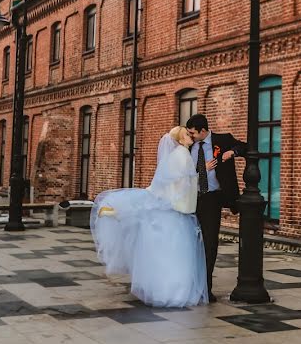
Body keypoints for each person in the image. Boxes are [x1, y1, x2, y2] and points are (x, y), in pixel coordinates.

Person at [90, 126, 208, 308]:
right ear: (179, 139)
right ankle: (176, 292)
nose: (190, 136)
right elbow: (184, 182)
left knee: (166, 255)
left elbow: (166, 183)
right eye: (186, 134)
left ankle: (162, 290)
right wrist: (200, 172)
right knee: (178, 255)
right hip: (177, 213)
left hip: (170, 211)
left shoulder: (172, 156)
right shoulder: (183, 154)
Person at [184, 113, 246, 302]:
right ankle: (190, 285)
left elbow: (245, 147)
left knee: (210, 245)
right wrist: (202, 169)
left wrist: (232, 152)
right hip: (191, 200)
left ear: (203, 131)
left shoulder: (223, 140)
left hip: (212, 200)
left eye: (193, 133)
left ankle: (206, 289)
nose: (191, 136)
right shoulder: (187, 146)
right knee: (190, 244)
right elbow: (181, 172)